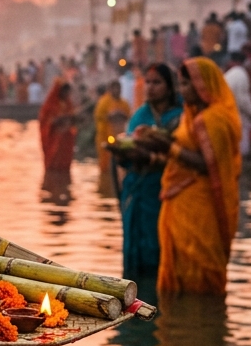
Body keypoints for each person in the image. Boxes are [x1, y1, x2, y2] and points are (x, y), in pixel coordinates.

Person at [148, 58, 242, 295]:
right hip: (182, 201)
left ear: (204, 86)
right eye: (180, 85)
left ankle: (201, 324)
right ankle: (183, 325)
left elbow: (209, 165)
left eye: (187, 85)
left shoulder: (213, 119)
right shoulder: (191, 116)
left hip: (201, 205)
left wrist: (168, 147)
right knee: (180, 276)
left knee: (199, 271)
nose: (182, 91)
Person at [117, 63, 184, 280]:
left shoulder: (182, 116)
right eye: (148, 82)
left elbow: (185, 152)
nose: (150, 87)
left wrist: (155, 153)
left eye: (157, 82)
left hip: (167, 190)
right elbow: (126, 152)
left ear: (170, 86)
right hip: (138, 191)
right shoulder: (140, 116)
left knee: (163, 250)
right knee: (136, 257)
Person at [223, 51, 251, 157]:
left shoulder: (230, 74)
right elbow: (242, 99)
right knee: (242, 150)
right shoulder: (240, 74)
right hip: (235, 115)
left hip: (227, 113)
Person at [39, 77, 77, 172]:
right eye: (65, 91)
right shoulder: (50, 104)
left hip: (66, 137)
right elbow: (44, 121)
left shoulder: (68, 103)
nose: (66, 94)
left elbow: (72, 119)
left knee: (64, 167)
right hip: (54, 137)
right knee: (53, 166)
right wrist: (56, 120)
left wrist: (71, 118)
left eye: (68, 92)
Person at [93, 79, 131, 171]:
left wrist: (121, 114)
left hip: (120, 138)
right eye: (114, 88)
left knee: (120, 165)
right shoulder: (103, 102)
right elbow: (98, 117)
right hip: (105, 137)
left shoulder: (124, 103)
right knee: (105, 166)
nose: (117, 90)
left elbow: (129, 117)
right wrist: (110, 115)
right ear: (110, 89)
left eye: (118, 88)